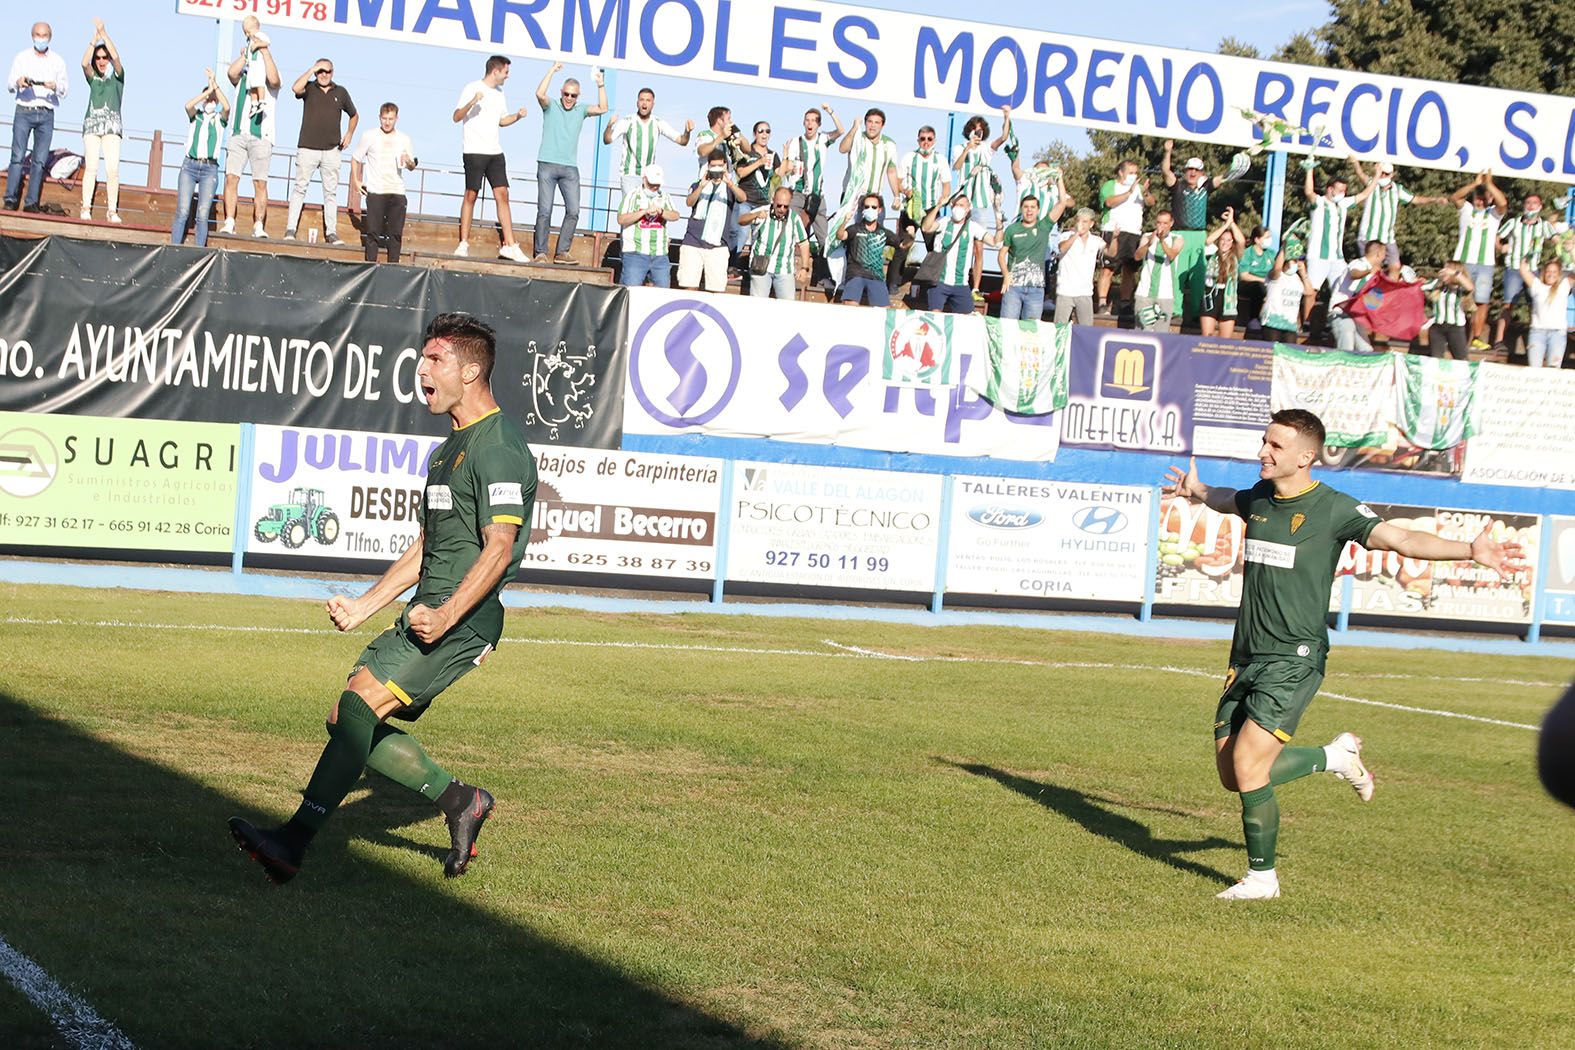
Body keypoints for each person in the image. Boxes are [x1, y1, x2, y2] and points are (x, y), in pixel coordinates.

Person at [228, 312, 538, 885]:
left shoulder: (499, 446)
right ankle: (460, 801)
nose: (421, 369)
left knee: (359, 709)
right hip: (428, 612)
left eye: (435, 360)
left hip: (461, 621)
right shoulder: (449, 450)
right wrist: (366, 604)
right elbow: (430, 545)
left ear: (471, 370)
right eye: (422, 358)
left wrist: (447, 614)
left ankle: (291, 843)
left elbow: (500, 546)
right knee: (344, 716)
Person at [1163, 408, 1523, 900]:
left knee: (1250, 766)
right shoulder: (1260, 498)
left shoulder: (1333, 509)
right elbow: (1231, 501)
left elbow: (1401, 538)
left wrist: (1468, 549)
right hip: (1246, 656)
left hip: (1295, 657)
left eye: (1275, 446)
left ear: (1306, 457)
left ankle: (1262, 879)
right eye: (1265, 442)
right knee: (1234, 775)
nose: (1263, 452)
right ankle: (1335, 756)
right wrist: (1197, 492)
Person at [452, 55, 530, 261]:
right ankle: (463, 243)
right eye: (506, 72)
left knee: (503, 194)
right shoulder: (472, 87)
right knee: (471, 194)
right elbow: (456, 116)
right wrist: (473, 101)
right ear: (495, 71)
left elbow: (502, 121)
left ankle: (510, 245)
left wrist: (517, 116)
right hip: (474, 150)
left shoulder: (500, 94)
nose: (508, 76)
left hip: (495, 151)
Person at [533, 62, 607, 263]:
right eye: (566, 94)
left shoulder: (581, 110)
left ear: (578, 97)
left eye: (573, 96)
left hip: (569, 168)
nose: (569, 99)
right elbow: (539, 94)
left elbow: (603, 108)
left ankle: (562, 252)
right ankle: (540, 252)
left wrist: (600, 84)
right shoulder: (551, 106)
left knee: (573, 210)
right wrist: (551, 71)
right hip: (547, 164)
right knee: (545, 210)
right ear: (561, 92)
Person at [283, 57, 356, 244]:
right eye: (320, 71)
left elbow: (354, 114)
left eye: (328, 71)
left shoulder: (341, 92)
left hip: (332, 150)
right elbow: (295, 88)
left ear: (333, 72)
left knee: (330, 193)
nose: (324, 74)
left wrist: (349, 134)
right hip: (307, 148)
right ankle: (290, 229)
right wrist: (311, 69)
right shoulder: (309, 88)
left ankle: (331, 232)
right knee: (300, 188)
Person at [219, 17, 279, 238]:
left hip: (261, 135)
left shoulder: (266, 73)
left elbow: (274, 79)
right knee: (231, 177)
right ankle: (230, 220)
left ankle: (259, 224)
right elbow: (231, 73)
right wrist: (247, 53)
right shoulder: (245, 74)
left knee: (260, 182)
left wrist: (263, 50)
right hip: (238, 133)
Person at [1299, 161, 1375, 330]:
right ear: (1329, 189)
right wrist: (1309, 169)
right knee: (1311, 291)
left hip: (1337, 258)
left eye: (1344, 190)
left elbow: (1365, 194)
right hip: (1318, 255)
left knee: (1344, 289)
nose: (1343, 193)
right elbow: (1308, 192)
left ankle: (1336, 320)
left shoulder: (1343, 204)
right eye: (1340, 190)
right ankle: (1307, 325)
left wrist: (1376, 175)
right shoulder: (1319, 202)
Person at [6, 21, 69, 213]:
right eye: (37, 35)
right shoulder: (22, 58)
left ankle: (31, 202)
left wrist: (54, 87)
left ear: (50, 37)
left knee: (39, 160)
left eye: (44, 35)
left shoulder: (57, 61)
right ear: (32, 35)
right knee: (17, 156)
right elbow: (9, 85)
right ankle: (10, 199)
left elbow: (65, 90)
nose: (40, 39)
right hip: (24, 109)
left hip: (46, 112)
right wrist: (19, 82)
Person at [1493, 193, 1565, 352]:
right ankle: (1498, 340)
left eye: (1535, 203)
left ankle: (1536, 341)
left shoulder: (1544, 225)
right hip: (1514, 268)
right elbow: (1496, 237)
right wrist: (1501, 248)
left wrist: (1562, 253)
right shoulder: (1513, 223)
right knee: (1508, 304)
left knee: (1536, 304)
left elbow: (1556, 241)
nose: (1531, 206)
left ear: (1540, 207)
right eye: (1528, 202)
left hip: (1533, 270)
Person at [348, 102, 416, 263]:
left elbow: (412, 166)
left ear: (396, 118)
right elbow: (355, 158)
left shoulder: (404, 138)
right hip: (376, 190)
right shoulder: (369, 136)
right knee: (373, 232)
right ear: (379, 118)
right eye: (384, 118)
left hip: (397, 191)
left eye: (390, 119)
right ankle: (370, 266)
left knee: (395, 233)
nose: (387, 122)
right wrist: (356, 181)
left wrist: (408, 161)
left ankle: (393, 266)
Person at [1448, 171, 1508, 350]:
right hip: (1463, 262)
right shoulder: (1466, 210)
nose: (1480, 201)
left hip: (1485, 264)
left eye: (1484, 198)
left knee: (1482, 301)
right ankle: (1452, 334)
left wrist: (1489, 184)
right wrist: (1475, 184)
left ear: (1489, 199)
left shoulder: (1494, 215)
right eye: (1478, 198)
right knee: (1457, 298)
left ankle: (1475, 338)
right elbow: (1455, 197)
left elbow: (1503, 203)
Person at [891, 124, 952, 302]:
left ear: (934, 140)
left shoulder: (940, 160)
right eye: (923, 139)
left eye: (929, 139)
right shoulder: (909, 157)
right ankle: (894, 283)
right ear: (918, 140)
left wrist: (943, 200)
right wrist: (906, 191)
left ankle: (934, 283)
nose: (926, 142)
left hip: (930, 209)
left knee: (934, 248)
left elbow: (946, 186)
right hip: (911, 207)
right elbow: (898, 181)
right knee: (903, 244)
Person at [1351, 159, 1448, 268]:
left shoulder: (1397, 189)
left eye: (1386, 173)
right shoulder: (1371, 184)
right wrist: (1356, 163)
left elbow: (1415, 199)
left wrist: (1434, 200)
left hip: (1387, 237)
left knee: (1395, 266)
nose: (1383, 176)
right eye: (1381, 173)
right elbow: (1360, 174)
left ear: (1392, 174)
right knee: (1371, 268)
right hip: (1368, 236)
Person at [170, 69, 228, 247]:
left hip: (209, 168)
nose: (210, 102)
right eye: (207, 99)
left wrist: (214, 85)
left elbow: (227, 107)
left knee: (202, 213)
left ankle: (199, 249)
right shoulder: (197, 117)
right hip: (190, 165)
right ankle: (174, 247)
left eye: (213, 100)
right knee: (183, 210)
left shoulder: (219, 120)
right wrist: (205, 93)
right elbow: (187, 105)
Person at [921, 191, 1003, 314]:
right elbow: (926, 228)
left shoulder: (973, 227)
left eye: (961, 205)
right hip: (939, 281)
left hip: (960, 284)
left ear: (968, 208)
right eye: (956, 205)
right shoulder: (944, 221)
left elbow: (995, 242)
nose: (957, 208)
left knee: (968, 320)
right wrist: (938, 206)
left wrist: (998, 221)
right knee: (935, 316)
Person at [602, 86, 690, 199]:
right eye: (642, 100)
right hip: (630, 175)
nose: (645, 103)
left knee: (648, 213)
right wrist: (609, 126)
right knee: (632, 210)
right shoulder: (628, 121)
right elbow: (607, 140)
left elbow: (682, 141)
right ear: (637, 103)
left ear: (653, 104)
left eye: (648, 100)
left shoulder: (658, 123)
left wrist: (687, 131)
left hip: (649, 177)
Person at [678, 148, 743, 293]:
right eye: (713, 166)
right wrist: (701, 186)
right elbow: (689, 202)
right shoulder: (698, 184)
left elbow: (742, 198)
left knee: (716, 290)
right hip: (693, 242)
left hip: (718, 245)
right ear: (708, 166)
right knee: (689, 286)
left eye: (719, 166)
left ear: (725, 165)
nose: (716, 170)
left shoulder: (730, 187)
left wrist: (730, 183)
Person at [780, 104, 843, 252]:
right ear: (803, 122)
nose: (810, 123)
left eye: (814, 120)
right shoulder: (795, 142)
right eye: (807, 120)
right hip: (797, 191)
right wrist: (790, 165)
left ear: (818, 124)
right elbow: (786, 169)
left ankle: (827, 267)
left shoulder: (823, 139)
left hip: (817, 194)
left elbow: (840, 131)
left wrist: (830, 111)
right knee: (789, 227)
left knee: (823, 235)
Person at [78, 19, 123, 222]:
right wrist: (93, 40)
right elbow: (83, 63)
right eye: (99, 58)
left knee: (112, 170)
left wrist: (104, 34)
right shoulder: (93, 78)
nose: (102, 61)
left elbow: (116, 58)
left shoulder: (117, 77)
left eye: (104, 57)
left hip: (112, 129)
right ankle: (86, 207)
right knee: (92, 168)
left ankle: (112, 210)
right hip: (92, 128)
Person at [1097, 159, 1153, 316]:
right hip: (1113, 230)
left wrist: (1146, 192)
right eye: (1130, 172)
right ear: (1121, 172)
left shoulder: (1140, 188)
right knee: (1108, 268)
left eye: (1135, 173)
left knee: (1129, 270)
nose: (1133, 176)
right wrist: (1129, 193)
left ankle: (1125, 303)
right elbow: (1109, 202)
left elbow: (1151, 202)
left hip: (1133, 232)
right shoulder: (1110, 185)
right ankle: (1102, 302)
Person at [997, 193, 1066, 321]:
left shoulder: (1044, 226)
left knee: (1030, 331)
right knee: (1007, 327)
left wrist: (1059, 178)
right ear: (1021, 209)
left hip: (1036, 289)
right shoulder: (1012, 229)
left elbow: (1062, 203)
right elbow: (1001, 255)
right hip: (1013, 287)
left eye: (1033, 207)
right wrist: (1006, 275)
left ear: (1038, 210)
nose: (1029, 210)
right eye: (1026, 207)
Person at [838, 192, 910, 307]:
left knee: (885, 311)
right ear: (862, 210)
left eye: (874, 207)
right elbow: (841, 236)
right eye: (866, 207)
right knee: (849, 306)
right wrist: (844, 222)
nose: (870, 209)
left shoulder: (883, 232)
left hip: (876, 275)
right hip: (856, 273)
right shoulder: (855, 229)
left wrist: (911, 237)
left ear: (879, 210)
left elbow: (903, 245)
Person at [741, 185, 811, 299]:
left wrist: (804, 268)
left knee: (787, 308)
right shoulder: (763, 211)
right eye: (779, 205)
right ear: (773, 201)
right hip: (761, 267)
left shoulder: (794, 218)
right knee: (758, 305)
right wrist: (755, 215)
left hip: (784, 269)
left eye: (785, 206)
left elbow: (804, 243)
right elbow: (741, 221)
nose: (782, 209)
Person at [614, 163, 678, 288]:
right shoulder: (632, 195)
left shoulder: (665, 197)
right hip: (635, 253)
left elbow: (675, 215)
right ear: (644, 179)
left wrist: (661, 212)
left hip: (660, 254)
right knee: (631, 291)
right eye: (652, 183)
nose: (654, 187)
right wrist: (643, 212)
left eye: (657, 184)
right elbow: (621, 219)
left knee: (663, 292)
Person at [1328, 239, 1388, 352]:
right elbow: (1354, 274)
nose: (1385, 257)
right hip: (1340, 313)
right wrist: (1369, 271)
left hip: (1355, 316)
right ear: (1378, 254)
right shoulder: (1359, 263)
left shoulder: (1374, 272)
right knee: (1347, 343)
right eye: (1384, 254)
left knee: (1366, 350)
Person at [732, 120, 780, 256]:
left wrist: (787, 162)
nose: (764, 134)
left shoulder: (773, 154)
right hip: (746, 200)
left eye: (767, 131)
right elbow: (740, 173)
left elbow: (777, 178)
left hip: (764, 203)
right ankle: (732, 265)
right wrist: (759, 162)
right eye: (761, 131)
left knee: (760, 236)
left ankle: (756, 267)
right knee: (741, 233)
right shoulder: (747, 151)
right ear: (755, 134)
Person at [1133, 209, 1184, 332]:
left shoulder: (1177, 238)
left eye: (1165, 223)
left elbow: (1172, 255)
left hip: (1165, 294)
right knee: (1143, 329)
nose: (1161, 226)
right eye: (1159, 223)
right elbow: (1137, 256)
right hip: (1145, 292)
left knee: (1161, 332)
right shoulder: (1147, 236)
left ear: (1171, 223)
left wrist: (1161, 241)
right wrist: (1148, 244)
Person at [1518, 258, 1574, 369]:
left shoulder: (1564, 286)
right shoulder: (1537, 285)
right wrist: (1527, 254)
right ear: (1544, 273)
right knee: (1534, 368)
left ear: (1559, 274)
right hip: (1537, 332)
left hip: (1557, 333)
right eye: (1548, 271)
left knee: (1553, 368)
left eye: (1554, 272)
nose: (1551, 274)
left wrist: (1572, 251)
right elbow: (1523, 270)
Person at [1054, 208, 1106, 325]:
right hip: (1065, 291)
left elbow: (1111, 253)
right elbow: (1062, 248)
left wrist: (1115, 238)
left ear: (1091, 224)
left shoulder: (1096, 240)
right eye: (1079, 221)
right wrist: (1076, 234)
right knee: (1059, 329)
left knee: (1086, 330)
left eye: (1085, 222)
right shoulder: (1066, 235)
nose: (1080, 224)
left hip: (1085, 293)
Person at [1200, 207, 1245, 338]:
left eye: (1228, 240)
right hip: (1211, 297)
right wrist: (1225, 225)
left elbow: (1241, 241)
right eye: (1222, 240)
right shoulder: (1212, 254)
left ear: (1232, 243)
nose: (1225, 243)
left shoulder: (1235, 256)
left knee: (1224, 342)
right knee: (1207, 338)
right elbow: (1208, 241)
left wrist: (1231, 222)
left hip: (1228, 299)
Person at [1258, 251, 1315, 343]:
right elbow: (1277, 269)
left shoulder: (1297, 279)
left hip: (1290, 325)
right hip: (1272, 323)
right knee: (1273, 352)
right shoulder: (1276, 275)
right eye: (1294, 260)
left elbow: (1309, 292)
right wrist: (1284, 248)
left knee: (1287, 353)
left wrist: (1303, 273)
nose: (1297, 263)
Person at [1422, 261, 1474, 361]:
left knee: (1461, 359)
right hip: (1438, 327)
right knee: (1435, 359)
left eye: (1446, 270)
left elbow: (1470, 287)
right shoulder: (1438, 287)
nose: (1443, 272)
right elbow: (1421, 285)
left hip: (1455, 328)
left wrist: (1455, 273)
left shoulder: (1460, 289)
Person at [1236, 225, 1275, 335]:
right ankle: (1254, 319)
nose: (1269, 240)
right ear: (1257, 239)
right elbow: (1243, 275)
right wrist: (1262, 280)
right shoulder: (1248, 253)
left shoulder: (1270, 253)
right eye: (1267, 237)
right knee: (1258, 287)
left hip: (1268, 283)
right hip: (1247, 284)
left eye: (1270, 237)